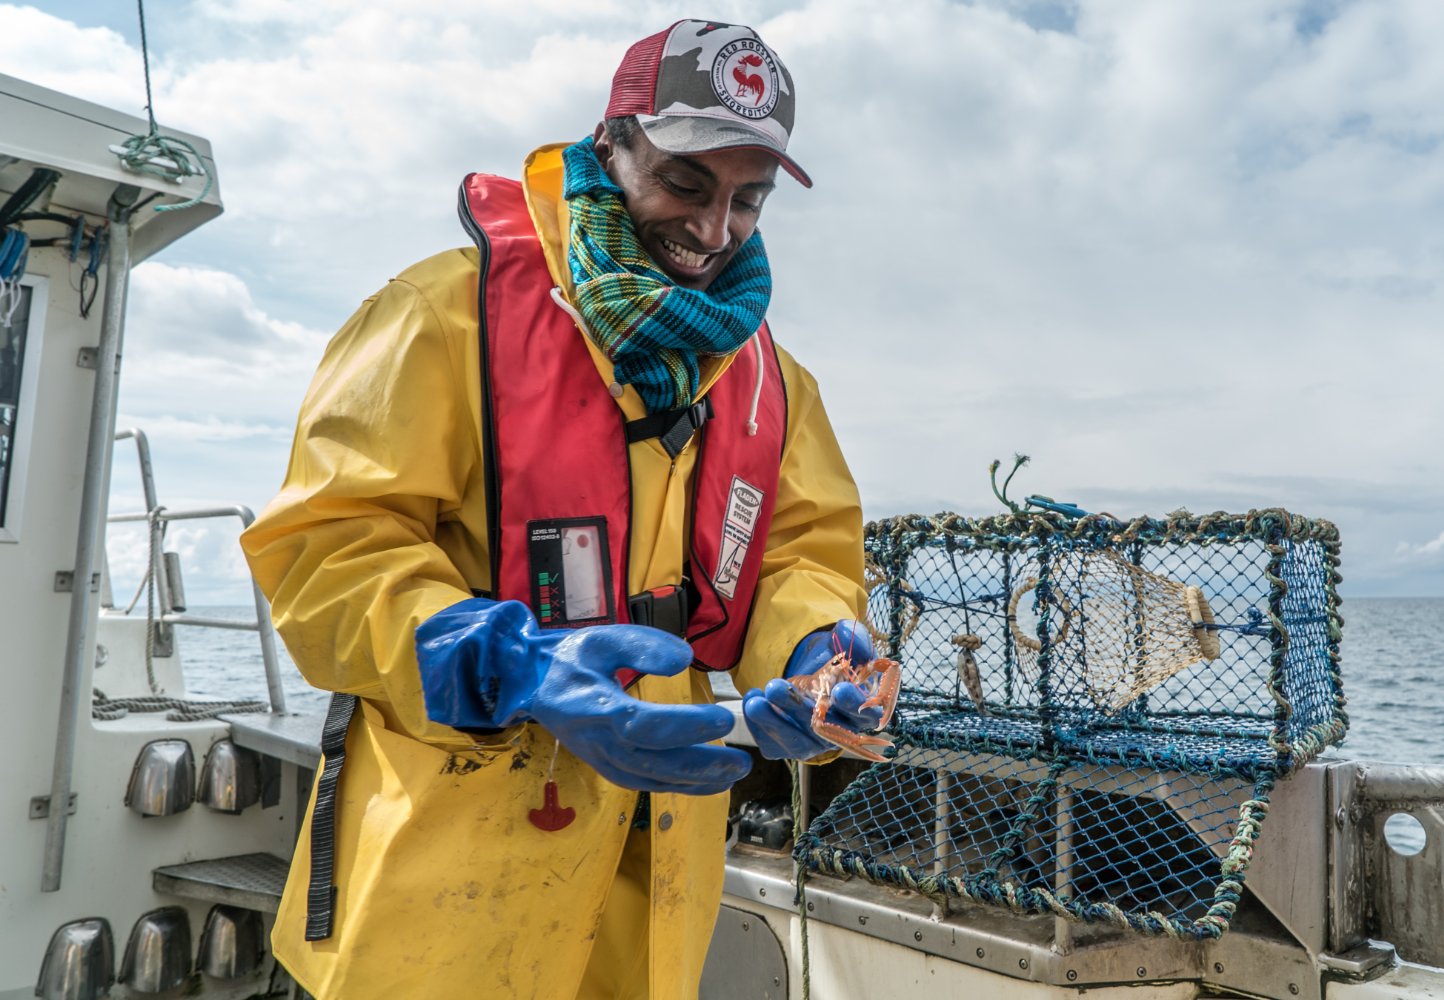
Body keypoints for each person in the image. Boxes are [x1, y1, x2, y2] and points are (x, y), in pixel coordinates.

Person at [241, 18, 885, 999]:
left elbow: (805, 558)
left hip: (656, 907)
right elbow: (326, 555)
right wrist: (512, 663)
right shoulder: (437, 313)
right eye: (684, 182)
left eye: (746, 200)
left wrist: (821, 650)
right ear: (612, 144)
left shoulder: (776, 386)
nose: (713, 231)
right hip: (438, 907)